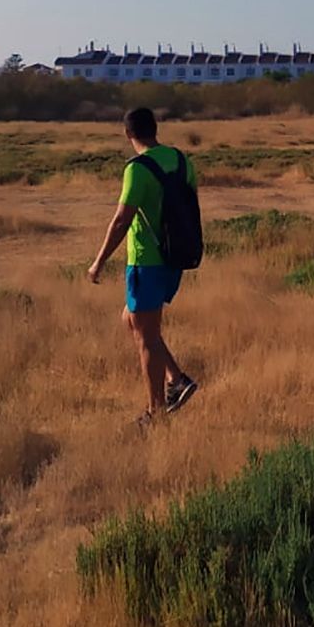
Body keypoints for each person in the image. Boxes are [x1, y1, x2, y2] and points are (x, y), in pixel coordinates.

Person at [87, 108, 199, 426]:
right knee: (132, 321)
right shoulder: (180, 160)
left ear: (127, 134)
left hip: (146, 262)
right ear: (156, 128)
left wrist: (99, 262)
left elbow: (122, 219)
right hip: (175, 258)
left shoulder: (137, 169)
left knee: (146, 337)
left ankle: (155, 413)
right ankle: (177, 379)